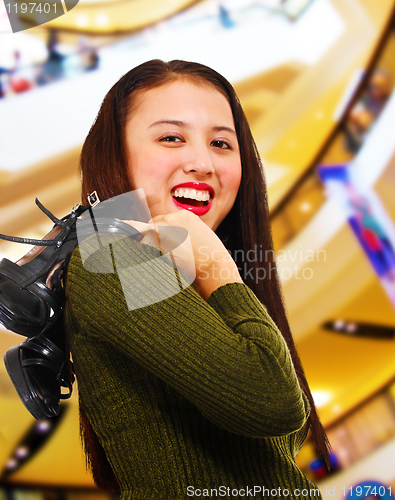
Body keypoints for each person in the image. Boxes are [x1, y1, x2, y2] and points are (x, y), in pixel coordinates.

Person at [65, 59, 330, 498]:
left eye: (223, 144)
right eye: (171, 137)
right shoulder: (115, 256)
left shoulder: (183, 280)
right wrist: (216, 266)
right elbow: (270, 399)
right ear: (115, 155)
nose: (203, 163)